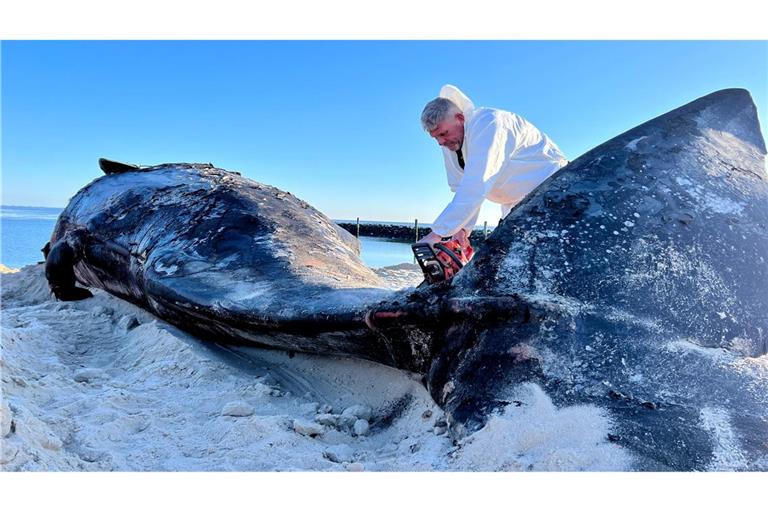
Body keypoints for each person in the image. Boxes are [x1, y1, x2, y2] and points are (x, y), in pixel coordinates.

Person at [417, 85, 568, 248]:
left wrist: (437, 234)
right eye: (435, 138)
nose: (440, 142)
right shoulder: (451, 143)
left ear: (460, 118)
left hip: (553, 189)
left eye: (443, 133)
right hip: (515, 203)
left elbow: (477, 183)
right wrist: (462, 229)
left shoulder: (488, 123)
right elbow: (462, 189)